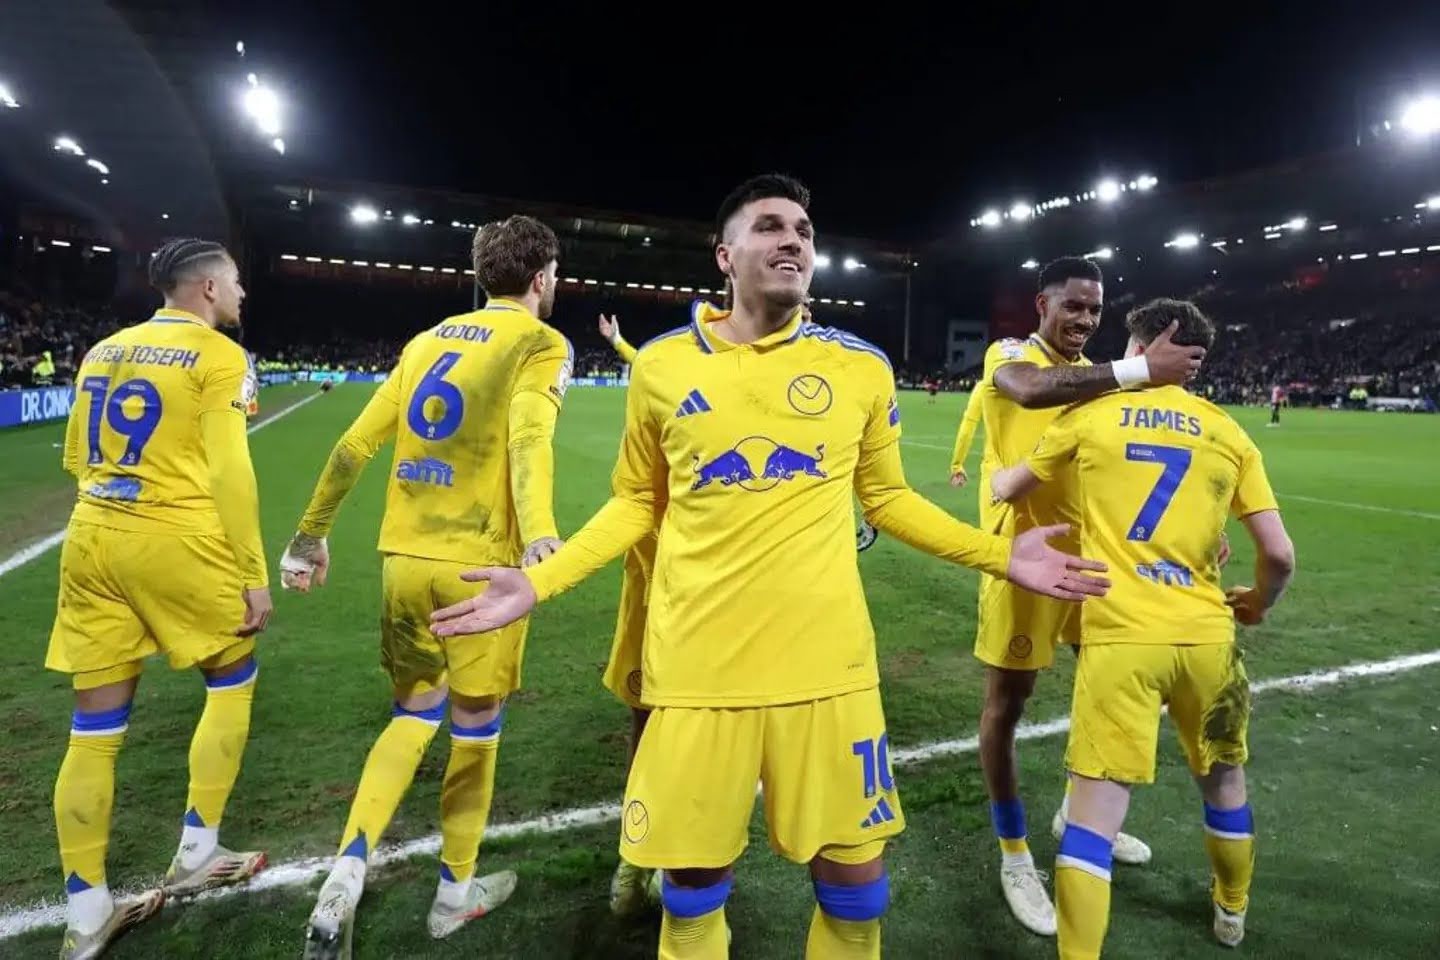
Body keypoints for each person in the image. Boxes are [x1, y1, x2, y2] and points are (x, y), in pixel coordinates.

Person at [429, 174, 1110, 959]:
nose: (794, 240)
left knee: (858, 899)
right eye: (771, 227)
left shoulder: (860, 366)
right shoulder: (661, 365)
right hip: (695, 679)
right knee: (691, 904)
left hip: (830, 675)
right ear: (725, 255)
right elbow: (635, 505)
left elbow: (885, 500)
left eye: (805, 232)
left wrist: (1001, 554)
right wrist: (538, 578)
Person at [280, 216, 573, 957]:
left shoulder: (426, 340)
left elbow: (354, 446)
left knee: (411, 717)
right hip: (480, 565)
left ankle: (348, 867)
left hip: (403, 561)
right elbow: (529, 438)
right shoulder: (541, 342)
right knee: (476, 727)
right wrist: (540, 529)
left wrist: (308, 534)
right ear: (541, 278)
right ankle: (453, 893)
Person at [988, 298, 1296, 956]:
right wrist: (1258, 603)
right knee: (1226, 784)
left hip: (1118, 637)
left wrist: (994, 479)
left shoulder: (1089, 415)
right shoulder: (1228, 431)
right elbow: (1279, 555)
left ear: (1137, 344)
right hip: (1208, 638)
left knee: (1094, 818)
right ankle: (1231, 911)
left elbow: (1009, 487)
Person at [964, 257, 1204, 935]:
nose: (1085, 320)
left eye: (1095, 310)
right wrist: (1135, 371)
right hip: (1021, 559)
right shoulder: (1010, 353)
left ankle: (1076, 811)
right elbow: (1032, 391)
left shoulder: (1099, 375)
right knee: (1007, 706)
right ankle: (1015, 855)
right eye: (1073, 306)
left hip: (1090, 559)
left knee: (1109, 686)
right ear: (1042, 303)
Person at [47, 238, 272, 958]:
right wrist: (253, 571)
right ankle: (198, 851)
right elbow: (232, 474)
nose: (241, 294)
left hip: (91, 537)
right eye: (235, 282)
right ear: (205, 288)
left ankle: (86, 915)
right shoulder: (218, 356)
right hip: (174, 538)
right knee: (234, 679)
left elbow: (77, 458)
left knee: (94, 729)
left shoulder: (104, 350)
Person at [596, 311, 665, 917]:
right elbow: (632, 502)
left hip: (730, 603)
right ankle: (637, 854)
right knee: (645, 728)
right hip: (653, 593)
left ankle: (687, 862)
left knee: (711, 733)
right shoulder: (668, 373)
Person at [948, 379, 985, 487]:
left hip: (996, 471)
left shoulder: (984, 388)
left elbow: (966, 430)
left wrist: (957, 465)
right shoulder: (1031, 386)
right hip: (1031, 468)